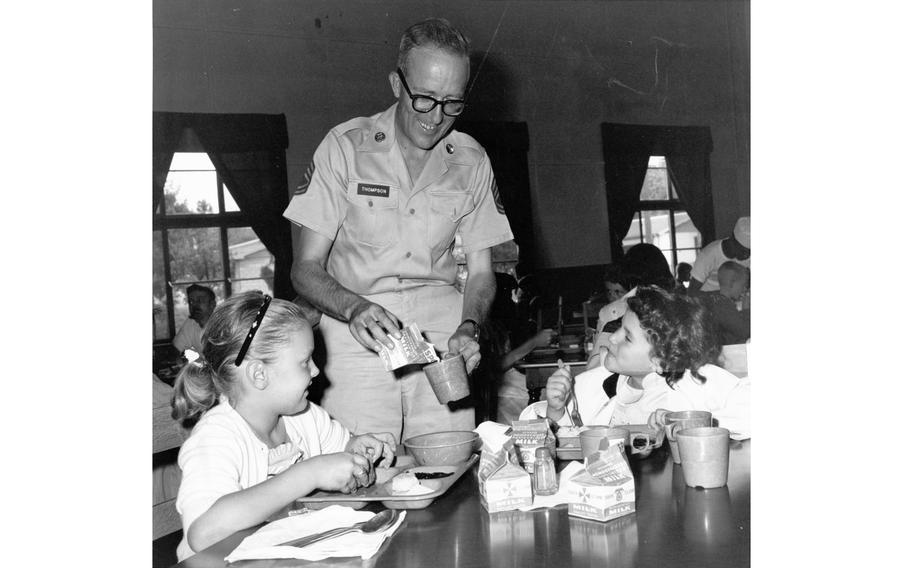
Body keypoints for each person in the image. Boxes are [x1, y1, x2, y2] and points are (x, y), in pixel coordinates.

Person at [283, 18, 513, 443]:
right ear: (396, 83)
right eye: (424, 98)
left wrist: (470, 326)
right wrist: (354, 308)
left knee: (449, 462)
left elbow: (481, 272)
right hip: (358, 335)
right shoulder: (344, 148)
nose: (437, 117)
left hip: (442, 341)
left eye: (453, 103)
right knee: (362, 471)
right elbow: (305, 268)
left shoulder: (471, 160)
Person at [172, 291, 396, 561]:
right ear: (259, 374)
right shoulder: (215, 438)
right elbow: (202, 533)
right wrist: (310, 473)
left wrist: (356, 450)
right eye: (305, 362)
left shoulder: (306, 417)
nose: (316, 371)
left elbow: (340, 452)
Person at [519, 285, 750, 439]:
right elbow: (572, 435)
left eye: (627, 337)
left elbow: (749, 409)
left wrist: (690, 425)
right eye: (619, 327)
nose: (613, 337)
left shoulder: (691, 383)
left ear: (660, 361)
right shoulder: (604, 382)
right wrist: (556, 410)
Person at [688, 216, 750, 295]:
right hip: (708, 301)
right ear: (733, 241)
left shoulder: (748, 255)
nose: (747, 255)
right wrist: (725, 295)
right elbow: (691, 293)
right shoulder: (708, 255)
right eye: (744, 251)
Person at [701, 261, 751, 345]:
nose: (744, 289)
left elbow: (735, 323)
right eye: (743, 285)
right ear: (732, 283)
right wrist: (746, 308)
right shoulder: (723, 305)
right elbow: (745, 331)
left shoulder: (716, 298)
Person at [173, 284, 217, 355]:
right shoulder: (191, 323)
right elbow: (176, 350)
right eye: (191, 301)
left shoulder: (223, 324)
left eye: (200, 300)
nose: (195, 305)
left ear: (212, 304)